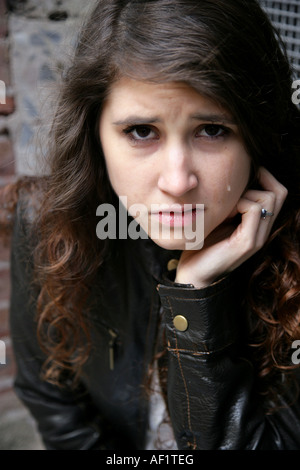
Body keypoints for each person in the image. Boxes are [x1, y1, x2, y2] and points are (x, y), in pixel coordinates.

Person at [2, 0, 300, 450]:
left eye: (213, 130)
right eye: (142, 131)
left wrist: (197, 297)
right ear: (94, 133)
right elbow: (51, 398)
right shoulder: (47, 222)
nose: (177, 181)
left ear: (257, 137)